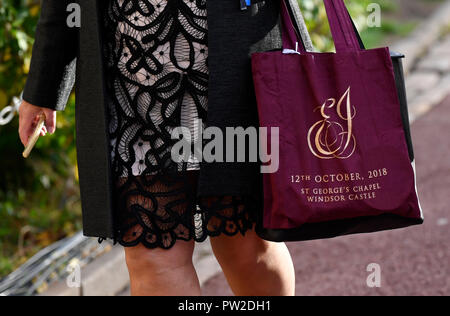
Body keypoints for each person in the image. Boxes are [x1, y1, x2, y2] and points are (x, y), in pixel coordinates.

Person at [18, 0, 296, 296]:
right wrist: (44, 86)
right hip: (133, 76)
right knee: (152, 251)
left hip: (233, 48)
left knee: (243, 237)